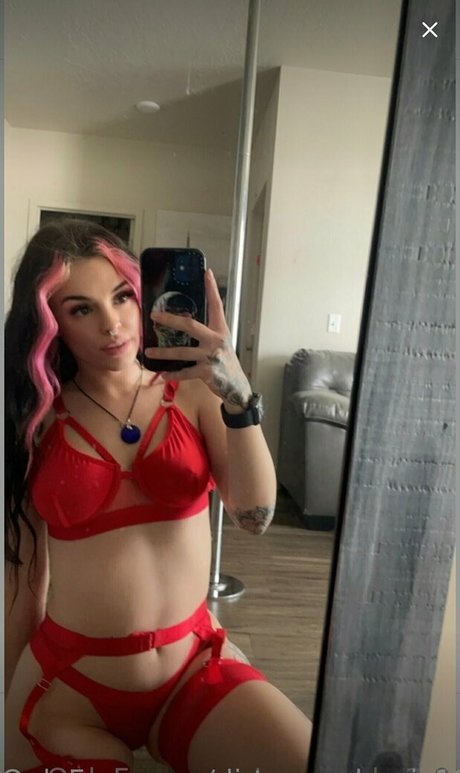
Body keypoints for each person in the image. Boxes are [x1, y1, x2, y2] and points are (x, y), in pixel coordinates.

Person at [5, 219, 312, 773]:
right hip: (69, 688)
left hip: (191, 671)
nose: (112, 324)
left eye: (122, 296)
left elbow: (255, 516)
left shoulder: (193, 392)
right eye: (81, 309)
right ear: (50, 324)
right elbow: (23, 584)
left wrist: (239, 396)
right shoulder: (35, 422)